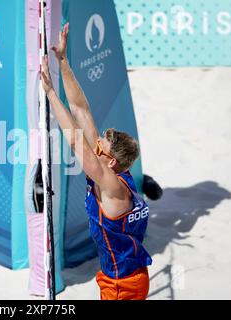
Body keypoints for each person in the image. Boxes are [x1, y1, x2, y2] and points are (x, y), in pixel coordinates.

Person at [41, 23, 152, 300]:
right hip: (126, 275)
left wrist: (51, 94)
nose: (97, 141)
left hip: (122, 284)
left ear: (111, 161)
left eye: (101, 144)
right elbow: (81, 109)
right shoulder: (118, 174)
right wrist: (63, 61)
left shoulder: (112, 186)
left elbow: (75, 141)